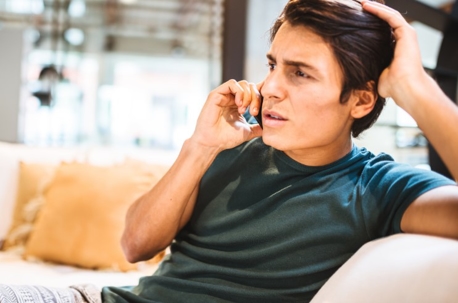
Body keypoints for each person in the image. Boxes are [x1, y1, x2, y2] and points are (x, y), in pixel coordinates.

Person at [1, 0, 457, 302]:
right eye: (273, 65)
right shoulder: (231, 145)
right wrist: (199, 148)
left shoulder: (379, 187)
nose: (270, 87)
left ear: (361, 99)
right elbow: (135, 245)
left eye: (300, 74)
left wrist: (415, 89)